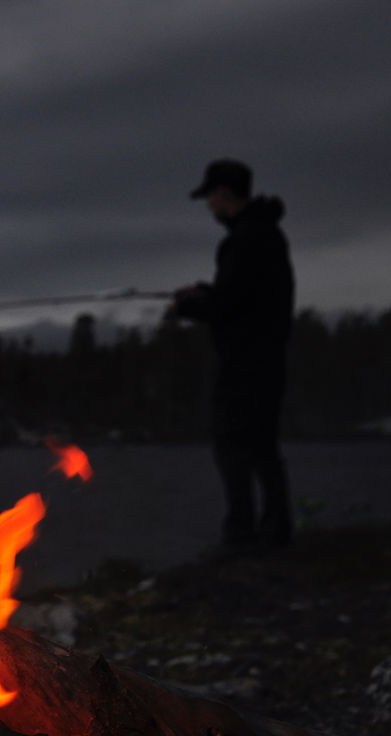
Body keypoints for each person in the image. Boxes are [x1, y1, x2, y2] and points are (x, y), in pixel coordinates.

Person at [169, 158, 294, 552]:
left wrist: (186, 307)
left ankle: (241, 536)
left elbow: (230, 306)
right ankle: (275, 532)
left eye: (210, 197)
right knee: (262, 448)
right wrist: (205, 292)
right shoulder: (268, 235)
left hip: (244, 363)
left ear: (223, 195)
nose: (209, 206)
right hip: (268, 359)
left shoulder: (242, 240)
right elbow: (242, 295)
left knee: (232, 446)